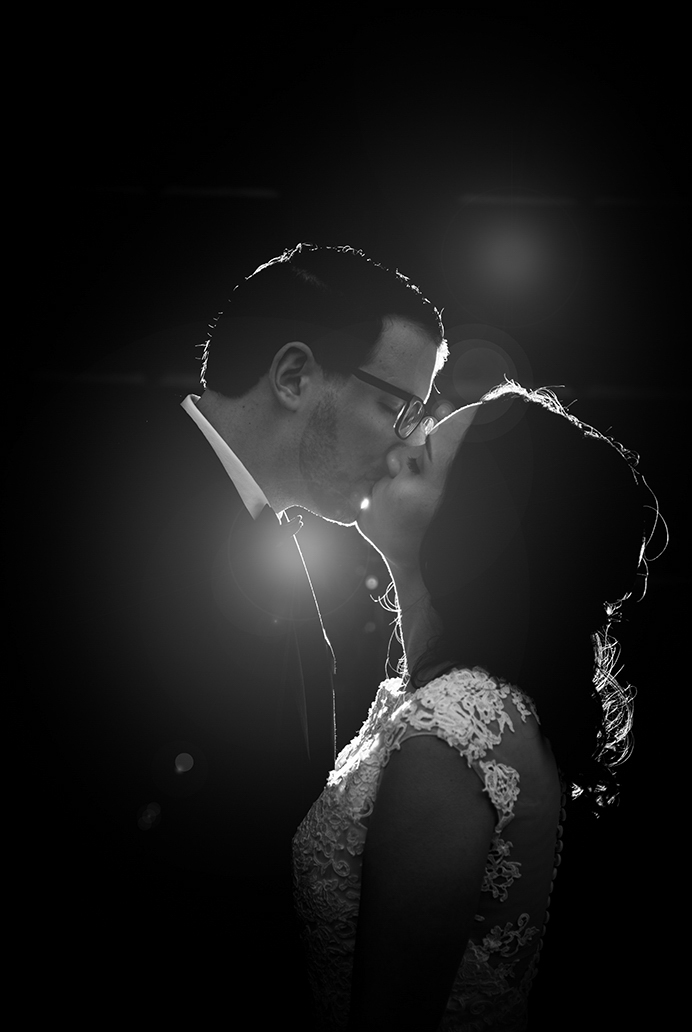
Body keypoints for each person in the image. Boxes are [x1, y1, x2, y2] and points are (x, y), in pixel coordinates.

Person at [32, 243, 448, 1020]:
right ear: (293, 376)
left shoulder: (261, 534)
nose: (402, 445)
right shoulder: (110, 513)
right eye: (397, 408)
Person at [292, 381, 652, 1031]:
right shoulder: (443, 701)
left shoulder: (455, 733)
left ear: (475, 531)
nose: (395, 449)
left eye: (422, 457)